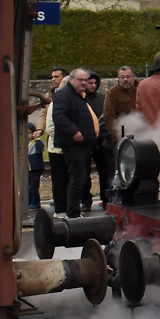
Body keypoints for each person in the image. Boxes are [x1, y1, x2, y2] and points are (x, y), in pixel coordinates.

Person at [52, 68, 102, 218]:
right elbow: (59, 116)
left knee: (80, 177)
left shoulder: (79, 95)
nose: (84, 83)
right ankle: (73, 213)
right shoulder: (63, 95)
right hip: (73, 144)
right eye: (80, 80)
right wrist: (74, 131)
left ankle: (73, 210)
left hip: (85, 144)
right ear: (71, 80)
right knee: (77, 178)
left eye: (85, 80)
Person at [44, 68, 68, 213]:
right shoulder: (55, 103)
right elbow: (50, 127)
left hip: (69, 147)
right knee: (59, 180)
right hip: (57, 147)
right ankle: (61, 208)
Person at [86, 72, 111, 209]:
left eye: (95, 83)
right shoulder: (81, 98)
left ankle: (105, 198)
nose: (93, 85)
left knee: (105, 172)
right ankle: (86, 200)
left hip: (101, 141)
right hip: (87, 141)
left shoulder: (102, 98)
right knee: (84, 174)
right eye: (90, 83)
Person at [103, 66, 138, 143]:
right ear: (118, 78)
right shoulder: (112, 93)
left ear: (134, 76)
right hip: (122, 134)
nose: (125, 80)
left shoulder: (141, 88)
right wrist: (117, 135)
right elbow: (109, 116)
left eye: (128, 77)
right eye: (122, 77)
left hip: (142, 131)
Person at [26, 122, 45, 211]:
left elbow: (40, 149)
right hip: (28, 169)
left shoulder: (36, 143)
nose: (27, 135)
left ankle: (35, 203)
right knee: (28, 187)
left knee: (34, 187)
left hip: (35, 168)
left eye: (29, 133)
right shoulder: (24, 144)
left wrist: (37, 139)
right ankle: (29, 202)